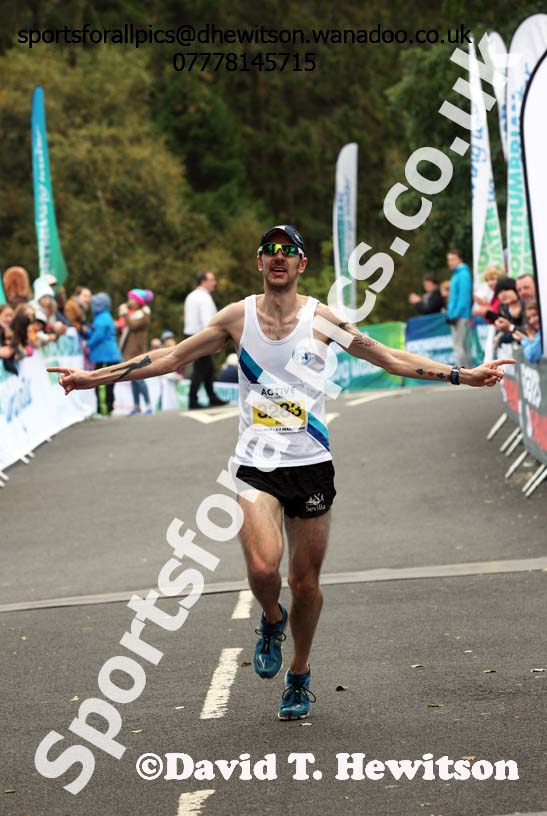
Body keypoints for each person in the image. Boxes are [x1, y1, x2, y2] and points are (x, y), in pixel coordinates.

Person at [49, 224, 513, 722]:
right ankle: (272, 618)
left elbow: (389, 357)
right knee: (265, 569)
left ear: (301, 265)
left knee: (306, 584)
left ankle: (299, 672)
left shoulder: (323, 320)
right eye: (269, 250)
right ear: (259, 263)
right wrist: (92, 377)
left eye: (288, 251)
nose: (278, 257)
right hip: (256, 466)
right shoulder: (236, 318)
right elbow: (170, 357)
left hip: (311, 466)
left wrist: (460, 374)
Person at [184, 271, 228, 409]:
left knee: (208, 368)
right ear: (203, 281)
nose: (214, 282)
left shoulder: (191, 296)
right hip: (201, 336)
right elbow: (208, 322)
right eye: (212, 280)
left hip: (190, 334)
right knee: (201, 369)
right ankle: (192, 399)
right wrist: (214, 341)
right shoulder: (204, 298)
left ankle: (211, 396)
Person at [118, 289, 154, 415]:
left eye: (131, 299)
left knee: (139, 379)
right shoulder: (134, 313)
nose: (129, 301)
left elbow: (133, 325)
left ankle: (148, 404)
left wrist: (124, 313)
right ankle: (136, 405)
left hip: (137, 351)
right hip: (129, 351)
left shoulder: (143, 314)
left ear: (138, 301)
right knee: (133, 378)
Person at [86, 293, 123, 416]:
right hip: (111, 354)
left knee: (100, 381)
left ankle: (102, 409)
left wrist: (88, 344)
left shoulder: (101, 318)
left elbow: (99, 335)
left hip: (103, 355)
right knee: (110, 383)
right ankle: (109, 407)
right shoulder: (106, 316)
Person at [445, 248, 473, 367]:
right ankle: (468, 371)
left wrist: (454, 315)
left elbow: (464, 297)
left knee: (459, 345)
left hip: (460, 315)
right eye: (449, 260)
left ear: (460, 259)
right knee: (462, 345)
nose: (450, 262)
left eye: (453, 259)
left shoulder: (462, 275)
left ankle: (463, 372)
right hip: (457, 314)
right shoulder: (457, 274)